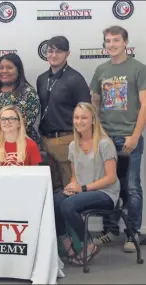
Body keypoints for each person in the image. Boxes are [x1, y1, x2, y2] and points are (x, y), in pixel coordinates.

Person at [90, 26, 146, 252]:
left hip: (128, 137)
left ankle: (132, 233)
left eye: (116, 40)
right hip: (105, 138)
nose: (111, 44)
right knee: (109, 186)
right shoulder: (101, 69)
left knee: (131, 187)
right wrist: (97, 134)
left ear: (125, 42)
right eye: (108, 41)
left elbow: (145, 105)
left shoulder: (138, 68)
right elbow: (94, 103)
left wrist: (135, 135)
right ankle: (110, 229)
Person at [54, 102, 120, 266]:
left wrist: (82, 188)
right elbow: (75, 176)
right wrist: (72, 185)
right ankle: (67, 244)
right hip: (83, 191)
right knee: (55, 201)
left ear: (92, 120)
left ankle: (89, 244)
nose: (79, 121)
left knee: (68, 206)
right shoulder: (72, 145)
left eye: (84, 117)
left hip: (106, 193)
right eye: (76, 117)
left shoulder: (105, 143)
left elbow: (111, 178)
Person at [37, 36, 91, 190]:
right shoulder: (41, 79)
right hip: (45, 140)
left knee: (70, 187)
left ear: (67, 53)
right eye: (50, 51)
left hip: (67, 139)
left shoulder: (75, 79)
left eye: (59, 51)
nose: (53, 55)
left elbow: (87, 112)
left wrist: (84, 141)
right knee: (51, 188)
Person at [0, 54, 40, 147]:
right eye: (1, 68)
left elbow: (25, 125)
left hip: (18, 147)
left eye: (9, 68)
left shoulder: (28, 93)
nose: (4, 71)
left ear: (18, 70)